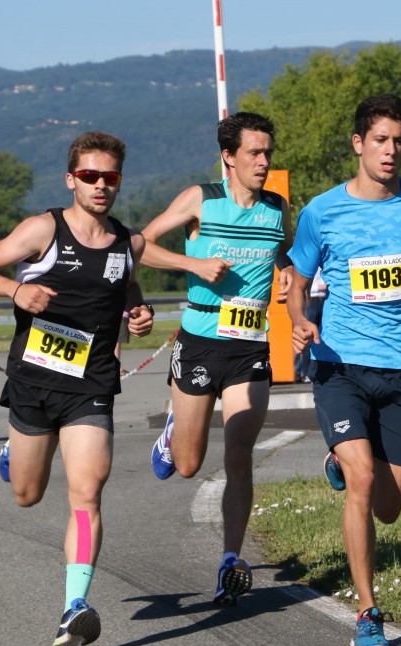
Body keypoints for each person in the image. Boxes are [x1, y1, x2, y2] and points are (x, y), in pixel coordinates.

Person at [0, 131, 154, 646]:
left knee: (87, 493)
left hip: (90, 385)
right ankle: (15, 447)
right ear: (71, 179)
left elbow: (125, 285)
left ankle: (75, 607)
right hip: (34, 382)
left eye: (110, 176)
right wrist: (15, 289)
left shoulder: (129, 243)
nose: (100, 185)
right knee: (27, 495)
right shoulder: (44, 230)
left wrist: (138, 312)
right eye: (89, 175)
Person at [287, 94, 401, 646]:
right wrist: (300, 321)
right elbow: (296, 285)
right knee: (361, 480)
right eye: (380, 139)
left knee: (389, 506)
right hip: (340, 364)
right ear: (359, 143)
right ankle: (367, 612)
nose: (391, 150)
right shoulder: (322, 211)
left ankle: (339, 457)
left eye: (399, 141)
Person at [143, 112, 293, 608]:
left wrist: (289, 277)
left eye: (267, 152)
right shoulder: (200, 200)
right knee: (188, 465)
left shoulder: (277, 208)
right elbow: (138, 244)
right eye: (254, 152)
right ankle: (174, 430)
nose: (263, 161)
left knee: (239, 454)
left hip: (249, 345)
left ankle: (230, 560)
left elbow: (284, 255)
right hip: (201, 341)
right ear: (228, 157)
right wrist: (192, 263)